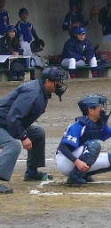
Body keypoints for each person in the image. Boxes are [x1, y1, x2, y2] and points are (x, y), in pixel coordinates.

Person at [0, 66, 68, 194]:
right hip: (4, 123)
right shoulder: (32, 93)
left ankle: (31, 172)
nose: (60, 84)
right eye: (57, 81)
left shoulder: (41, 91)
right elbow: (13, 117)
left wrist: (24, 133)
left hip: (7, 123)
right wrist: (23, 137)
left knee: (37, 133)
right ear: (47, 81)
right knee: (13, 145)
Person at [56, 94, 111, 185]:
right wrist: (77, 162)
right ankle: (75, 177)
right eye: (100, 107)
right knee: (94, 146)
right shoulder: (78, 126)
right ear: (91, 110)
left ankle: (82, 174)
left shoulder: (99, 124)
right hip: (65, 160)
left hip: (78, 158)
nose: (103, 110)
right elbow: (62, 147)